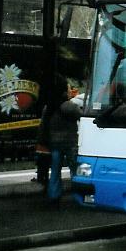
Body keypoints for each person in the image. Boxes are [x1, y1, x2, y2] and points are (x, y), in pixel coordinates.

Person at [41, 77, 81, 205]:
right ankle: (77, 194)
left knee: (55, 171)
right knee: (74, 170)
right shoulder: (68, 106)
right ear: (64, 91)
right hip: (69, 143)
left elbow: (43, 125)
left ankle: (54, 195)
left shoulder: (49, 107)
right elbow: (80, 113)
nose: (70, 90)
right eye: (68, 88)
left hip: (54, 143)